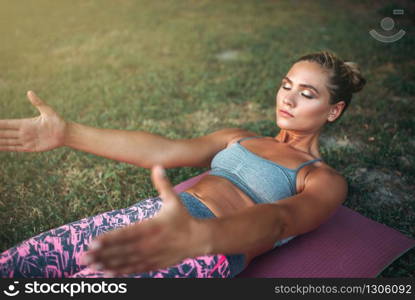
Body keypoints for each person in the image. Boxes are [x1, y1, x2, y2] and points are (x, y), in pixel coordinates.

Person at [0, 51, 366, 278]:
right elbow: (162, 151)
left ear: (334, 110)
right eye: (287, 86)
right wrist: (68, 133)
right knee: (17, 265)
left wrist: (204, 237)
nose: (289, 99)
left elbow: (280, 221)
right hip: (153, 215)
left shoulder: (322, 179)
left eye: (307, 94)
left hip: (204, 248)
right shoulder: (239, 136)